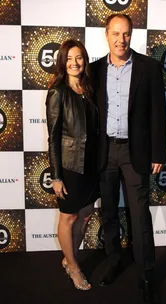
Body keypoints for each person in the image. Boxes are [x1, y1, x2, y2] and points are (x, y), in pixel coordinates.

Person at [90, 14, 166, 303]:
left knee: (139, 216)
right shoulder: (95, 70)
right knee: (108, 212)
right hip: (105, 152)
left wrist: (158, 152)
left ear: (131, 36)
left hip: (137, 153)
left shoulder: (149, 67)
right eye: (116, 34)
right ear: (106, 35)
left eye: (126, 34)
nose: (121, 40)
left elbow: (158, 113)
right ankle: (114, 262)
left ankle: (147, 273)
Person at [46, 39, 98, 290]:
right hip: (69, 166)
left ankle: (69, 259)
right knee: (69, 217)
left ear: (84, 60)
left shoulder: (89, 88)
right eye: (69, 58)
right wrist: (56, 176)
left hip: (91, 164)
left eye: (78, 58)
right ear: (62, 62)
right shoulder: (58, 91)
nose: (74, 63)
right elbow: (53, 136)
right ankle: (74, 267)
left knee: (86, 215)